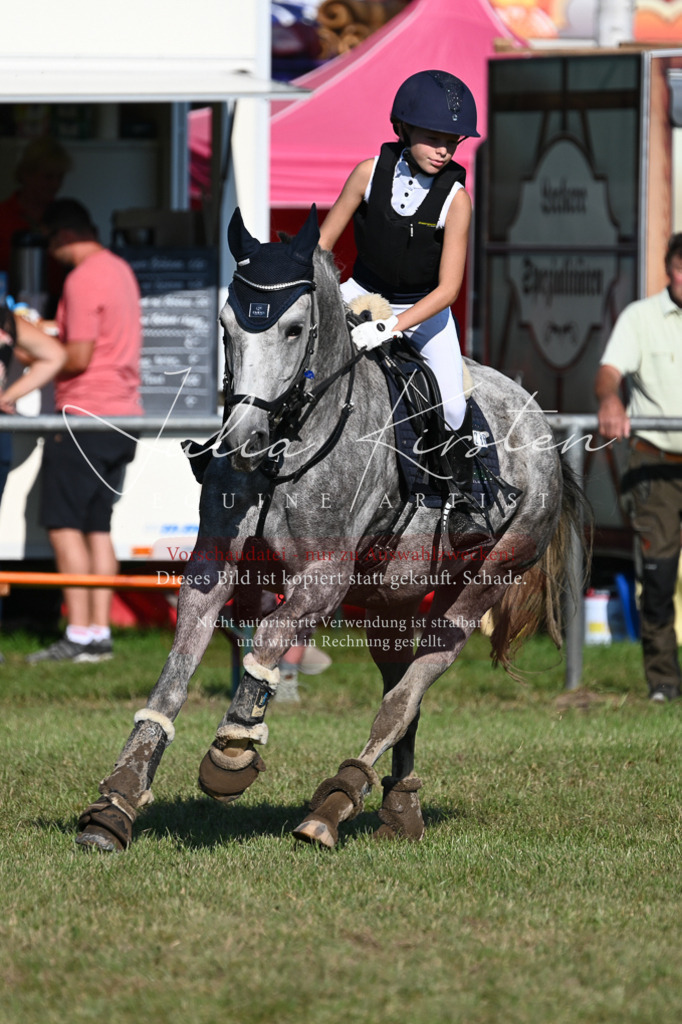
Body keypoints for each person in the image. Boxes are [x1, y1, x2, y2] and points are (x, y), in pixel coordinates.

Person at [319, 69, 477, 487]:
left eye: (452, 142)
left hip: (422, 310)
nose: (444, 151)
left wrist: (392, 326)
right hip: (359, 293)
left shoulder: (457, 201)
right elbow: (320, 248)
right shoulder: (367, 173)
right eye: (434, 137)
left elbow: (449, 290)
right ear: (403, 127)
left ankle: (459, 502)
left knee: (453, 408)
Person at [26, 198, 143, 664]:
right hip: (124, 416)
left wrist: (35, 343)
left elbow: (76, 357)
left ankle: (78, 633)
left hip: (84, 414)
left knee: (63, 524)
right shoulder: (120, 270)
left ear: (63, 235)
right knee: (97, 525)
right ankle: (98, 635)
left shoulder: (80, 278)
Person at [595, 232, 682, 702]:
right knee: (659, 576)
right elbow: (608, 372)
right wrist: (609, 398)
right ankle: (664, 683)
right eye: (680, 268)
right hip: (655, 461)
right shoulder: (641, 317)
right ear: (668, 269)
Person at [0, 305, 66, 664]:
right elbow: (53, 355)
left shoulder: (6, 317)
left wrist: (7, 396)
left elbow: (54, 355)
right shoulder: (6, 318)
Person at [0, 137, 72, 276]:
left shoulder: (66, 217)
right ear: (26, 174)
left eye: (60, 177)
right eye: (48, 177)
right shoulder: (3, 215)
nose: (55, 185)